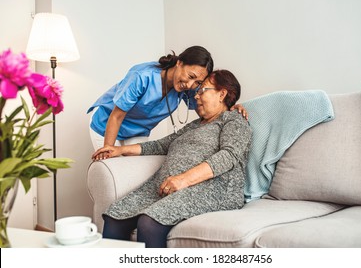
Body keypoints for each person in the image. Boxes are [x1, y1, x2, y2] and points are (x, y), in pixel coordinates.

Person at [92, 69, 252, 248]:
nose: (196, 96)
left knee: (149, 222)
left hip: (213, 189)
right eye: (197, 92)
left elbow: (229, 156)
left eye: (202, 90)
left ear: (222, 94)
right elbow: (161, 145)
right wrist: (119, 150)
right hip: (171, 186)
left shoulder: (234, 120)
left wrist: (184, 179)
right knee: (115, 216)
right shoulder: (195, 125)